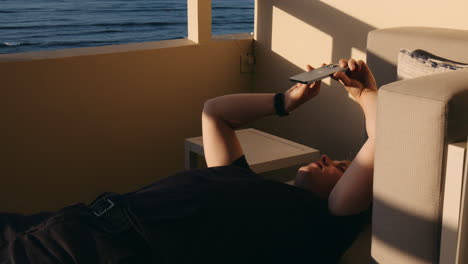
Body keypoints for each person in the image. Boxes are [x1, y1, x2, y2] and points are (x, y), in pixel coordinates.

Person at [0, 58, 377, 264]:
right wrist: (287, 101)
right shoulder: (239, 178)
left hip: (99, 252)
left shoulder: (326, 224)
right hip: (74, 221)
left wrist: (366, 94)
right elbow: (215, 112)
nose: (328, 158)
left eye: (342, 169)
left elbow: (382, 140)